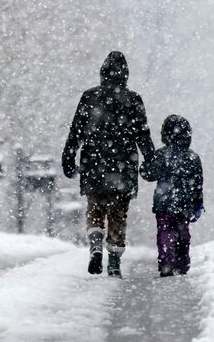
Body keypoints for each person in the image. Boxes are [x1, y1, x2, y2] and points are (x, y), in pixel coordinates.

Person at [62, 51, 155, 278]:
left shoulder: (89, 97)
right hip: (123, 165)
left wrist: (68, 156)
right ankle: (113, 261)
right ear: (125, 74)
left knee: (94, 208)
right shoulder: (133, 100)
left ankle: (95, 246)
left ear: (103, 72)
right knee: (118, 213)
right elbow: (143, 135)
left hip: (94, 163)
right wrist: (150, 160)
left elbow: (76, 131)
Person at [140, 114, 203, 277]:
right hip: (185, 203)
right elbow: (197, 184)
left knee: (165, 231)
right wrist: (198, 203)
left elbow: (149, 175)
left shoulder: (161, 155)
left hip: (163, 202)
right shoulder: (193, 157)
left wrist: (145, 166)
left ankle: (166, 261)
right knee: (183, 233)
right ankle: (182, 264)